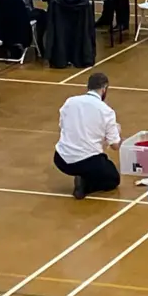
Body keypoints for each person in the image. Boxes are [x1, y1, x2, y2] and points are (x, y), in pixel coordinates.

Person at [53, 72, 121, 200]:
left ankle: (83, 179)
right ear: (104, 88)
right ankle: (86, 185)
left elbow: (62, 125)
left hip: (61, 159)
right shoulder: (106, 111)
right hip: (87, 161)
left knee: (96, 162)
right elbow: (115, 146)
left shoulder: (70, 102)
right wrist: (117, 131)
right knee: (113, 179)